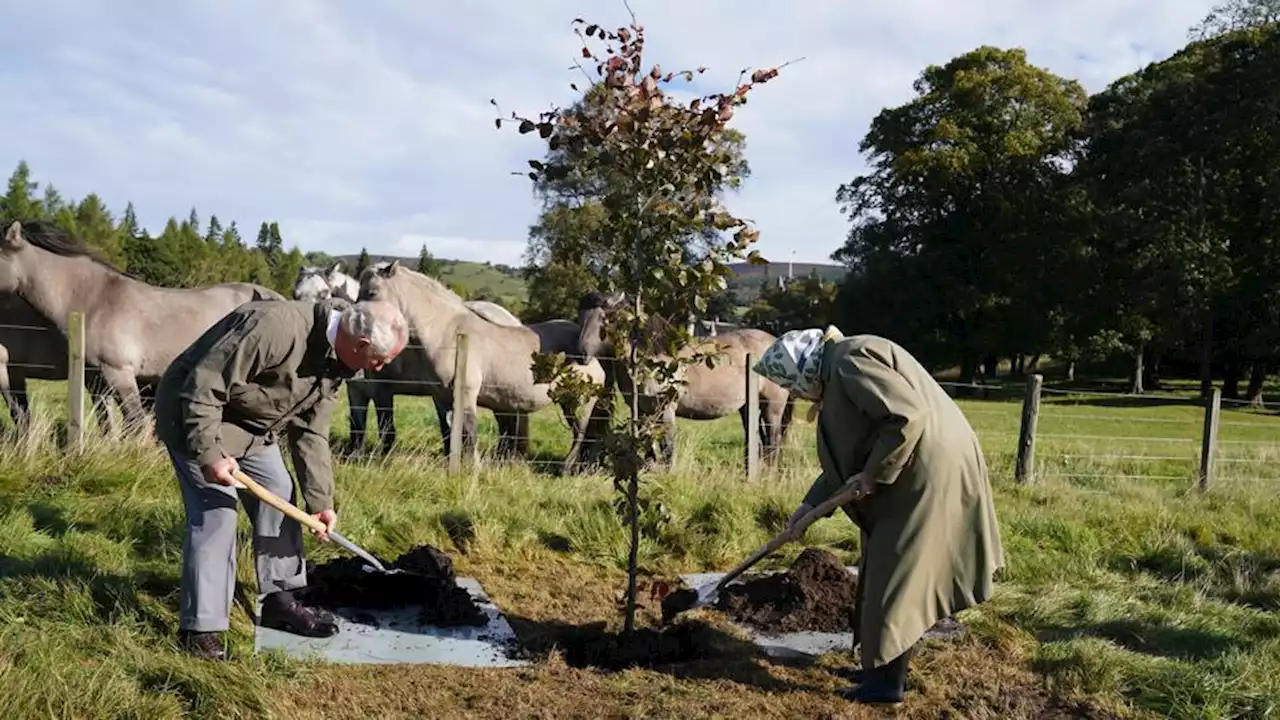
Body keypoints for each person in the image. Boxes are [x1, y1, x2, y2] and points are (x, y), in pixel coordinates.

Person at [753, 326, 1004, 707]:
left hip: (925, 474)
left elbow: (906, 416)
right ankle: (877, 666)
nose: (796, 394)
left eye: (793, 385)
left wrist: (873, 474)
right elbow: (848, 457)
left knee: (896, 574)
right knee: (883, 566)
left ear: (802, 371)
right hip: (910, 473)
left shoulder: (850, 361)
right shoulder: (839, 369)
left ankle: (886, 686)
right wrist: (809, 507)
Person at [154, 297, 409, 660]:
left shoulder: (338, 363)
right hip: (194, 416)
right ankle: (201, 630)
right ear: (361, 345)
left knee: (279, 492)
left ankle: (280, 599)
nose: (380, 369)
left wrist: (320, 503)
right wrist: (210, 455)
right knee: (217, 515)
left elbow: (311, 432)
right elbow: (203, 387)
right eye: (379, 361)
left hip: (253, 427)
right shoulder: (275, 328)